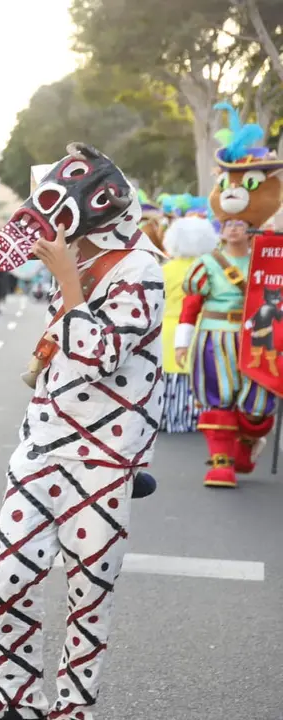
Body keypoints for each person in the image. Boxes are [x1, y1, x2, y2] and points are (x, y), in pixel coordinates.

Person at [0, 144, 165, 720]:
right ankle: (18, 703)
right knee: (12, 575)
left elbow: (97, 354)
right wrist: (67, 273)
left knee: (89, 595)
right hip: (41, 446)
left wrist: (67, 280)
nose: (50, 246)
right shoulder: (82, 262)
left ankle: (72, 709)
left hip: (105, 457)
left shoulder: (142, 271)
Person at [174, 103, 283, 488]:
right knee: (217, 397)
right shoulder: (206, 263)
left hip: (258, 338)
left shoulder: (270, 258)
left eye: (240, 223)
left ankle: (247, 443)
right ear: (220, 227)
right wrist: (182, 342)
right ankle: (220, 460)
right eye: (228, 223)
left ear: (249, 225)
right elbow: (191, 305)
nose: (234, 228)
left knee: (257, 406)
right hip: (215, 336)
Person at [160, 217, 218, 433]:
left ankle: (167, 417)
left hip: (166, 328)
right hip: (197, 325)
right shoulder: (207, 269)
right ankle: (197, 418)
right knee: (197, 373)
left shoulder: (164, 270)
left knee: (167, 375)